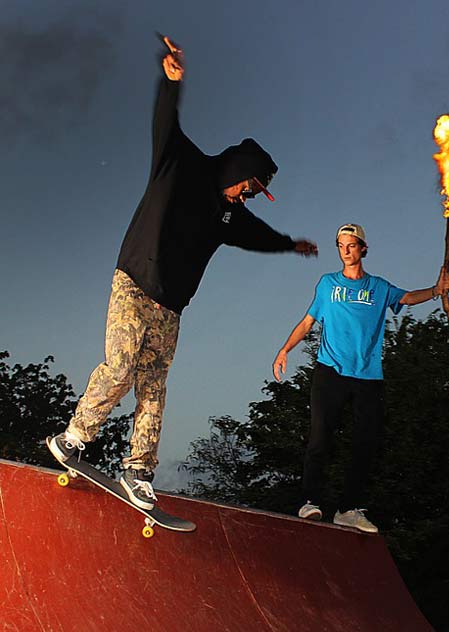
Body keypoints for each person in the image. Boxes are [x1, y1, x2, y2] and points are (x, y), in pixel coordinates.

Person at [48, 35, 317, 511]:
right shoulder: (180, 162)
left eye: (253, 195)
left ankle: (138, 471)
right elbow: (164, 122)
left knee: (154, 388)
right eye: (249, 188)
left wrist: (288, 245)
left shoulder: (229, 215)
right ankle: (73, 438)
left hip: (170, 308)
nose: (246, 197)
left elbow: (256, 234)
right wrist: (171, 83)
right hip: (134, 284)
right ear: (239, 168)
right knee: (121, 369)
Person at [272, 223, 449, 533]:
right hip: (330, 371)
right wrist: (285, 349)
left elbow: (407, 297)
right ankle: (310, 501)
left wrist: (437, 291)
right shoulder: (328, 285)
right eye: (340, 245)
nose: (345, 250)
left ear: (363, 249)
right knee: (320, 437)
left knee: (366, 443)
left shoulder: (379, 288)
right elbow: (307, 322)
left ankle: (348, 509)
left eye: (351, 245)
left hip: (367, 376)